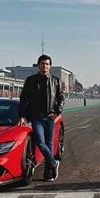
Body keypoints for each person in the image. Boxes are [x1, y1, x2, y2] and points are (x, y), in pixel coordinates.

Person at [18, 54, 65, 182]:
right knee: (40, 142)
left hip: (49, 117)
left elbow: (61, 98)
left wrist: (57, 111)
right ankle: (53, 162)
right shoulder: (30, 80)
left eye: (47, 64)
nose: (45, 66)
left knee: (49, 144)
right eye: (42, 64)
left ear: (50, 66)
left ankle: (48, 173)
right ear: (38, 65)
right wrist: (22, 115)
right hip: (36, 117)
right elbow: (23, 98)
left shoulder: (55, 81)